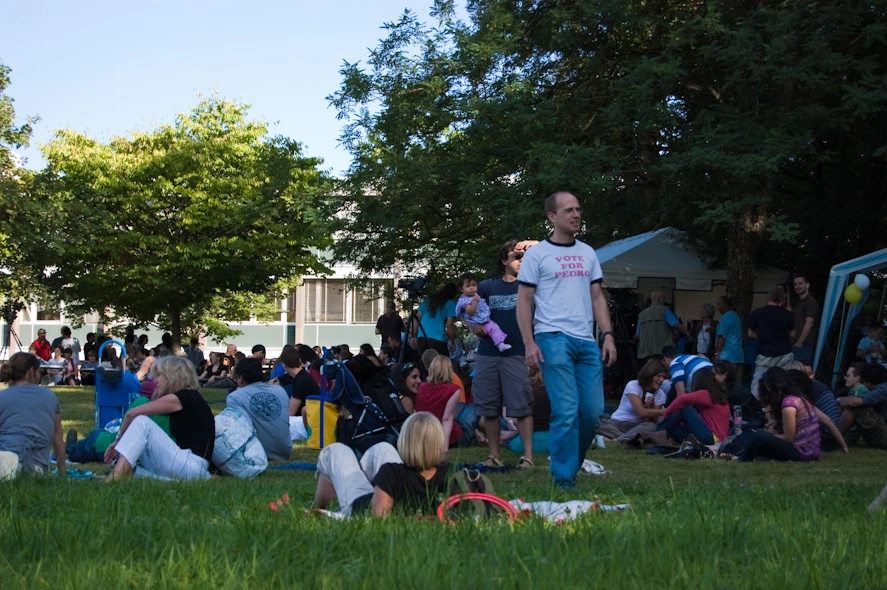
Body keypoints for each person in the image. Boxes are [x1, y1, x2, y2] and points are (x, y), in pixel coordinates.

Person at [516, 191, 617, 488]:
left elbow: (597, 297)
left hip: (586, 341)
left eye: (578, 209)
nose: (576, 215)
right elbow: (523, 301)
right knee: (566, 409)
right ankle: (563, 478)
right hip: (552, 338)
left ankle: (569, 465)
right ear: (552, 217)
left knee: (593, 412)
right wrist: (529, 342)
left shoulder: (587, 252)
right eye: (569, 210)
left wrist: (608, 335)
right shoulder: (537, 254)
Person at [472, 240, 538, 468]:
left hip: (517, 353)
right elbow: (465, 307)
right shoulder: (487, 286)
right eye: (516, 257)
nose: (521, 261)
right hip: (488, 354)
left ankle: (528, 456)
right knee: (489, 408)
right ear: (503, 261)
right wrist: (472, 326)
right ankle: (494, 455)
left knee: (521, 407)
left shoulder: (529, 285)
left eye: (524, 257)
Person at [313, 412, 455, 517]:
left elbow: (377, 518)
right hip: (389, 493)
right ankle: (359, 480)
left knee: (336, 451)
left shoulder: (392, 472)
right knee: (382, 448)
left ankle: (318, 506)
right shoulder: (449, 474)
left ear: (405, 441)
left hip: (360, 506)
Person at [104, 355, 215, 480]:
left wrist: (118, 442)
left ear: (172, 376)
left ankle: (115, 478)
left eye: (159, 376)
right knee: (131, 456)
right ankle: (132, 473)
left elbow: (132, 414)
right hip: (192, 466)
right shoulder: (189, 397)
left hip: (192, 466)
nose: (155, 381)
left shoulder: (182, 397)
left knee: (142, 422)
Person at [726, 367, 846, 461]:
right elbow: (828, 421)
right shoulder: (800, 399)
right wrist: (844, 447)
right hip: (812, 452)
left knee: (759, 435)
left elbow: (789, 438)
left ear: (770, 385)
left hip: (801, 453)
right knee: (760, 435)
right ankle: (749, 456)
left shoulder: (788, 404)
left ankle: (742, 459)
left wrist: (768, 435)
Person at [0, 353, 66, 477]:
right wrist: (62, 473)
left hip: (4, 461)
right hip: (36, 467)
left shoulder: (2, 397)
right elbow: (58, 440)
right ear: (31, 371)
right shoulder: (49, 396)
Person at [226, 357, 291, 461]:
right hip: (284, 451)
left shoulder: (234, 397)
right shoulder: (280, 391)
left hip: (257, 453)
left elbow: (242, 428)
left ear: (241, 378)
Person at [597, 359, 668, 440]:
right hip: (617, 424)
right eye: (659, 376)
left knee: (652, 427)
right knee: (598, 425)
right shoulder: (633, 385)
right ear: (649, 375)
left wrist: (651, 407)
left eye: (663, 377)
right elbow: (642, 412)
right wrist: (666, 411)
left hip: (637, 426)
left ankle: (618, 438)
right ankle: (627, 438)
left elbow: (651, 421)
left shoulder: (660, 394)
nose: (662, 380)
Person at [415, 356, 477, 449]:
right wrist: (444, 448)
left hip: (427, 436)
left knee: (462, 407)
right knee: (477, 405)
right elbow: (447, 419)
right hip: (454, 438)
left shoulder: (420, 388)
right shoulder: (453, 389)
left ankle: (479, 436)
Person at [658, 368, 730, 445]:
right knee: (674, 427)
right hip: (713, 437)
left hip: (712, 438)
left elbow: (682, 398)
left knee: (686, 410)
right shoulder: (718, 396)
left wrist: (666, 413)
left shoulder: (708, 394)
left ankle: (654, 435)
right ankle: (657, 437)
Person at [747, 285, 796, 399]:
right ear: (781, 299)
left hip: (765, 354)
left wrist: (761, 336)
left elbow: (750, 333)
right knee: (784, 382)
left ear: (769, 297)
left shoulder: (757, 313)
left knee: (758, 385)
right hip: (784, 353)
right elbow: (793, 334)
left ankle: (762, 407)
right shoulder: (787, 314)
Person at [455, 271, 512, 353]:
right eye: (468, 286)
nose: (471, 288)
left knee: (494, 327)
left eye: (474, 285)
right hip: (476, 323)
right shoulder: (464, 300)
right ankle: (500, 344)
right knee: (493, 328)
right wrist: (475, 302)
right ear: (461, 289)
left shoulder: (475, 296)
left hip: (482, 320)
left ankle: (500, 344)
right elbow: (470, 311)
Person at [837, 362, 887, 449]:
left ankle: (834, 440)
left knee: (853, 409)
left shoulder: (882, 390)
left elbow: (855, 402)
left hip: (884, 437)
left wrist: (839, 400)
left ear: (869, 383)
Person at [276, 345, 320, 439]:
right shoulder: (303, 377)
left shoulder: (301, 381)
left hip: (306, 422)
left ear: (283, 365)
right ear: (299, 361)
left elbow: (290, 413)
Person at [635, 291, 691, 361]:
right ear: (659, 299)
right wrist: (688, 334)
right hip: (663, 352)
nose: (665, 301)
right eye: (664, 299)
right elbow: (676, 325)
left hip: (646, 352)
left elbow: (637, 335)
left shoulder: (642, 314)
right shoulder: (665, 310)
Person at [413, 283, 458, 355]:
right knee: (440, 364)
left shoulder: (427, 301)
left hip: (421, 338)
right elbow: (450, 325)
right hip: (438, 340)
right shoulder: (450, 303)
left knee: (423, 364)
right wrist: (452, 342)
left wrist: (414, 336)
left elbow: (416, 318)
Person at [713, 296, 744, 383]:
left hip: (727, 356)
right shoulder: (736, 317)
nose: (717, 306)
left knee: (725, 382)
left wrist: (716, 354)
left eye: (719, 304)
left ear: (725, 305)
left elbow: (721, 337)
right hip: (738, 355)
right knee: (737, 382)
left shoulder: (725, 318)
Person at [791, 274, 819, 363]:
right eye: (795, 284)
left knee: (801, 372)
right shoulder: (798, 304)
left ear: (807, 285)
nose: (797, 286)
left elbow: (809, 323)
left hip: (804, 345)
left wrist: (800, 342)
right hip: (797, 344)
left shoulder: (810, 302)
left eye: (800, 283)